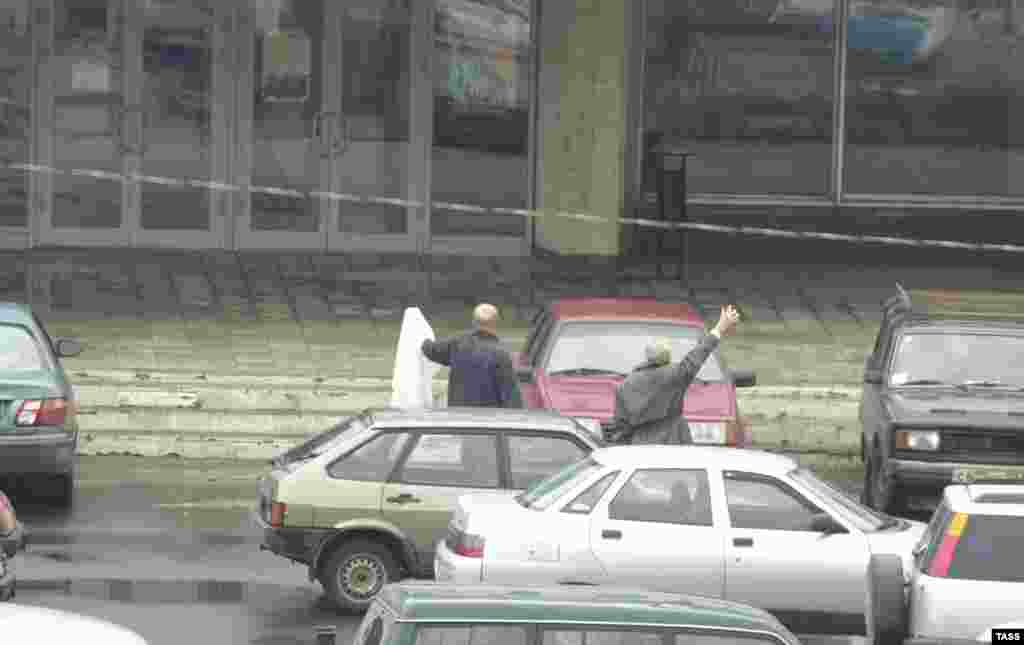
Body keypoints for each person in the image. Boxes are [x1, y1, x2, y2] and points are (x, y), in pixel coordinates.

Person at [610, 305, 741, 445]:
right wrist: (720, 327)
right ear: (667, 358)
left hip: (640, 447)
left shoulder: (624, 386)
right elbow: (698, 355)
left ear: (647, 357)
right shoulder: (675, 375)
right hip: (674, 444)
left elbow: (621, 429)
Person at [421, 303, 524, 408]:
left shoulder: (457, 344)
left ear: (473, 322)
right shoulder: (502, 355)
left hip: (458, 417)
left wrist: (420, 334)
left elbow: (429, 349)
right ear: (496, 323)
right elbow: (512, 399)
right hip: (489, 420)